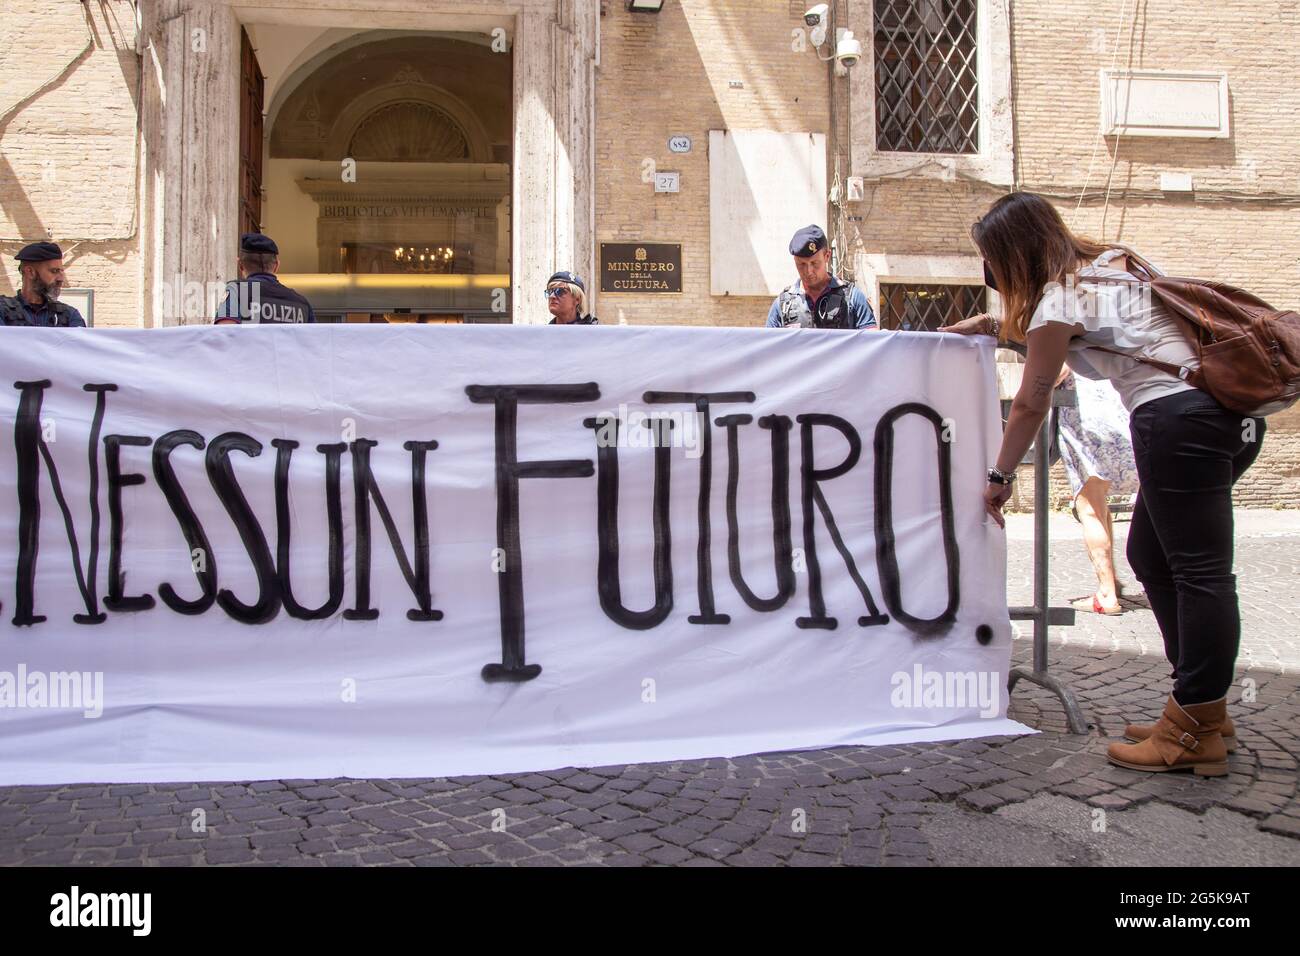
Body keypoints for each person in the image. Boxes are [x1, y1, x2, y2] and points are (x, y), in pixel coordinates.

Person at [942, 192, 1264, 776]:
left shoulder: (1058, 303)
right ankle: (1199, 709)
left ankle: (1194, 726)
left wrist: (998, 476)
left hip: (1179, 423)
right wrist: (995, 325)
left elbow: (1031, 403)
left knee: (1199, 573)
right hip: (1226, 419)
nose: (989, 275)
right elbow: (1092, 332)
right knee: (1151, 554)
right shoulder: (1115, 264)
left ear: (1013, 258)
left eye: (991, 261)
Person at [1055, 370, 1140, 616]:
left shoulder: (1069, 331)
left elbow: (1056, 371)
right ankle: (1118, 579)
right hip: (1124, 413)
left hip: (1087, 421)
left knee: (1091, 510)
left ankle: (1106, 593)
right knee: (1109, 507)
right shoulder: (1113, 330)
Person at [766, 225, 876, 330]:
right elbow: (768, 346)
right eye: (802, 264)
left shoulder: (853, 298)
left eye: (814, 263)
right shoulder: (782, 305)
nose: (809, 271)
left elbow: (872, 342)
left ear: (827, 256)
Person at [215, 233, 315, 324]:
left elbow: (224, 335)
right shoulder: (302, 303)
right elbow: (314, 340)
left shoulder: (237, 291)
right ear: (276, 266)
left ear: (240, 265)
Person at [1, 242, 87, 327]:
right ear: (30, 272)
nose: (61, 278)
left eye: (61, 271)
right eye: (54, 271)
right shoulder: (3, 311)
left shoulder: (69, 315)